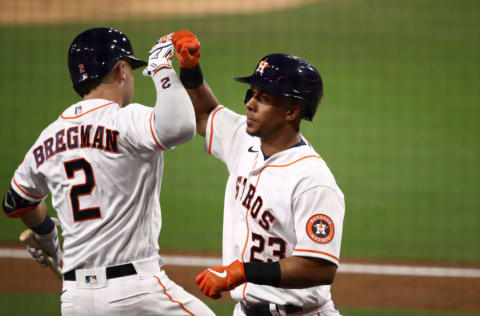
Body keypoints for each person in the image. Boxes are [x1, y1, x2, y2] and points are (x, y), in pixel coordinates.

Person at [1, 27, 214, 316]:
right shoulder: (124, 120)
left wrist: (47, 233)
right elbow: (180, 127)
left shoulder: (49, 137)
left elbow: (17, 201)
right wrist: (161, 67)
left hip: (76, 300)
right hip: (138, 294)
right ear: (121, 69)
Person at [171, 30, 345, 316]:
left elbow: (319, 267)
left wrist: (241, 272)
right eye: (251, 94)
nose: (250, 103)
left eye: (263, 98)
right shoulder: (243, 139)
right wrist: (190, 69)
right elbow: (204, 115)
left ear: (292, 111)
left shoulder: (313, 180)